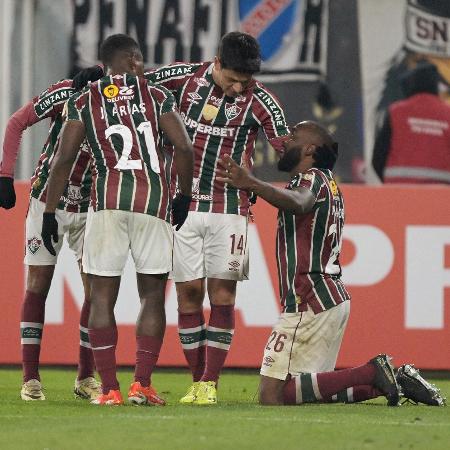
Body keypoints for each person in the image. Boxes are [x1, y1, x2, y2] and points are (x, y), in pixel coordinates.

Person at [217, 120, 445, 407]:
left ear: (310, 148)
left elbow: (299, 202)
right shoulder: (330, 184)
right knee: (307, 392)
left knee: (272, 394)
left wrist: (251, 182)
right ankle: (395, 381)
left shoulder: (311, 179)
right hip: (328, 298)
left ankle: (372, 371)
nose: (285, 139)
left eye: (294, 135)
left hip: (310, 298)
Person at [42, 34, 194, 406]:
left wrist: (49, 212)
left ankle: (109, 389)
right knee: (153, 295)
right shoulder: (156, 95)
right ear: (132, 59)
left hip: (107, 202)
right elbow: (185, 147)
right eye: (140, 60)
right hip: (153, 204)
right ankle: (142, 384)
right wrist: (183, 195)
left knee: (100, 298)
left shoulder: (84, 99)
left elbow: (63, 161)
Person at [0, 75, 103, 400]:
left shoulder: (119, 104)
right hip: (48, 201)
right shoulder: (64, 92)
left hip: (89, 206)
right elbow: (17, 123)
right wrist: (5, 175)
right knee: (38, 284)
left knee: (96, 289)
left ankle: (85, 377)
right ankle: (30, 379)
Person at [372, 62, 450, 184]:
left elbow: (378, 157)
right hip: (441, 194)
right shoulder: (447, 114)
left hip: (399, 190)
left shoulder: (396, 112)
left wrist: (389, 183)